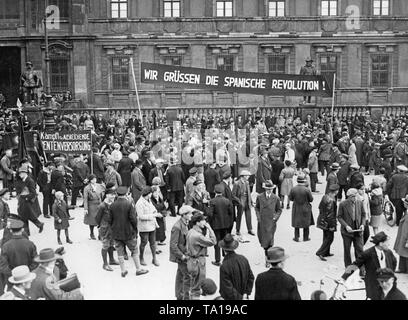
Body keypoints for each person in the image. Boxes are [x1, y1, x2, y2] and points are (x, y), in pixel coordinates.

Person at [342, 232, 397, 300]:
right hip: (373, 284)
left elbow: (394, 262)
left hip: (387, 283)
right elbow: (355, 265)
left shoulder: (388, 252)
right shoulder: (367, 253)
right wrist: (344, 277)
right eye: (387, 242)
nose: (389, 244)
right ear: (381, 244)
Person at [108, 186, 148, 277]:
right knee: (134, 250)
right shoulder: (129, 204)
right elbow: (133, 219)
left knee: (120, 251)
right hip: (129, 232)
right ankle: (138, 269)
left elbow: (109, 220)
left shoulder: (112, 205)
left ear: (117, 195)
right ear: (126, 194)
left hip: (117, 233)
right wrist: (135, 229)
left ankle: (123, 270)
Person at [0, 219, 37, 294]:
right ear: (22, 230)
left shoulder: (5, 246)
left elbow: (3, 266)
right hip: (27, 280)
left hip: (12, 281)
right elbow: (36, 261)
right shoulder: (30, 244)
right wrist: (27, 271)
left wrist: (13, 275)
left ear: (10, 231)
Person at [186, 212, 217, 300]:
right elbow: (213, 241)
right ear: (197, 222)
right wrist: (210, 228)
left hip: (191, 261)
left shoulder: (191, 231)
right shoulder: (197, 235)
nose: (205, 222)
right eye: (203, 220)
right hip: (198, 263)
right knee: (197, 288)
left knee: (192, 286)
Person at [219, 234, 254, 300]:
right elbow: (251, 277)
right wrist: (246, 293)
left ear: (223, 249)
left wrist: (240, 298)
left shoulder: (224, 266)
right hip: (245, 296)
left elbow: (227, 288)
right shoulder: (243, 259)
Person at [170, 205, 194, 300]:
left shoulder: (186, 223)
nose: (191, 215)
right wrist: (182, 256)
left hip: (185, 254)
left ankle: (179, 296)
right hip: (182, 257)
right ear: (184, 215)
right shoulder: (177, 227)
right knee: (187, 277)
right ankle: (185, 297)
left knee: (180, 276)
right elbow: (173, 245)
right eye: (190, 213)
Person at [337, 188, 366, 267]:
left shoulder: (359, 203)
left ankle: (361, 268)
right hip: (347, 232)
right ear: (348, 197)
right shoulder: (343, 204)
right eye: (353, 196)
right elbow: (339, 217)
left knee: (360, 249)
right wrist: (346, 226)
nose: (355, 198)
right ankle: (348, 267)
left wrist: (363, 224)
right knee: (347, 250)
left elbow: (363, 215)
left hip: (358, 230)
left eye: (356, 196)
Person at [255, 180, 282, 265]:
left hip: (271, 222)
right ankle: (267, 255)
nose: (269, 190)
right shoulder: (260, 197)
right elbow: (256, 208)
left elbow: (279, 210)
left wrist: (275, 218)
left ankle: (268, 260)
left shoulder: (276, 198)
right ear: (265, 189)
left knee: (269, 241)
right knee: (263, 241)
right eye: (267, 189)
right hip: (262, 222)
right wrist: (258, 217)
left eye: (270, 189)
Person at [208, 184, 234, 267]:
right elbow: (231, 213)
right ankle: (226, 256)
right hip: (225, 225)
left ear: (215, 192)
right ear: (222, 192)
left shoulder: (212, 201)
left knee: (217, 242)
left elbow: (210, 214)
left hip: (216, 225)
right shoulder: (227, 201)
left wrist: (210, 223)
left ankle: (217, 260)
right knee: (225, 241)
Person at [136, 186, 162, 267]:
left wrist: (155, 212)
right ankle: (141, 258)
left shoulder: (149, 200)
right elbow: (141, 216)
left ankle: (154, 258)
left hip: (152, 225)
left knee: (153, 243)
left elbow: (153, 208)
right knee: (144, 242)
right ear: (147, 194)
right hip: (144, 227)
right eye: (150, 194)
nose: (151, 195)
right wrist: (154, 215)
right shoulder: (139, 203)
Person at [15, 166, 44, 236]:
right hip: (22, 200)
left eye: (20, 173)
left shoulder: (30, 181)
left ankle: (37, 226)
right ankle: (29, 231)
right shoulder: (22, 180)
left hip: (26, 201)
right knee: (25, 216)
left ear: (25, 173)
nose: (19, 175)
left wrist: (26, 198)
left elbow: (33, 193)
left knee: (25, 216)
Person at [95, 188, 118, 272]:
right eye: (111, 194)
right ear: (107, 195)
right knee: (105, 245)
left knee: (111, 244)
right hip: (105, 229)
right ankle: (105, 264)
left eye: (114, 194)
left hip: (112, 228)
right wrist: (101, 226)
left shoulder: (114, 204)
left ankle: (111, 260)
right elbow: (97, 218)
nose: (113, 196)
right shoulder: (102, 206)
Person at [316, 184, 339, 261]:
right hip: (328, 222)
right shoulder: (332, 200)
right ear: (336, 191)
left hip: (322, 219)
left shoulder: (325, 196)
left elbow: (320, 207)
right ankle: (320, 252)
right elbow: (330, 215)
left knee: (325, 236)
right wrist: (332, 225)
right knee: (330, 238)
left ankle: (326, 252)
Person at [289, 174, 314, 242]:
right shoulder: (307, 190)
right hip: (305, 207)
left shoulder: (293, 189)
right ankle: (305, 237)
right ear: (304, 181)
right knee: (306, 222)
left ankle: (296, 237)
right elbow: (311, 199)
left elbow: (290, 198)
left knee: (296, 222)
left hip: (296, 207)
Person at [232, 170, 254, 236]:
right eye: (247, 176)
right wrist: (239, 201)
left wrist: (251, 201)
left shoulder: (247, 182)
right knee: (239, 217)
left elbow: (249, 193)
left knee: (248, 216)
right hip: (241, 202)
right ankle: (237, 230)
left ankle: (250, 229)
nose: (248, 177)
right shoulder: (237, 183)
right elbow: (233, 195)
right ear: (243, 176)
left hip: (247, 201)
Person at [83, 174, 105, 240]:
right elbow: (85, 199)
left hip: (99, 203)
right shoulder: (87, 188)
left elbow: (103, 194)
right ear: (90, 180)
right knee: (92, 220)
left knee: (101, 220)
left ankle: (100, 234)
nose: (94, 180)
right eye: (92, 179)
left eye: (95, 179)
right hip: (91, 205)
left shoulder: (100, 186)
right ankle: (91, 233)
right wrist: (86, 208)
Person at [394, 195, 408, 273]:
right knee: (402, 251)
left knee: (405, 252)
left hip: (406, 236)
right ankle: (402, 268)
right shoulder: (406, 211)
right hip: (403, 235)